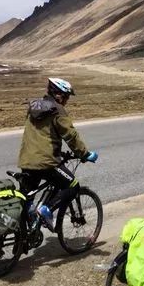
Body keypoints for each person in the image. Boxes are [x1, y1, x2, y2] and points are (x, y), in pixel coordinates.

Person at [17, 78, 98, 230]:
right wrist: (84, 154)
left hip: (26, 160)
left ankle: (24, 237)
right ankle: (46, 209)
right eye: (66, 96)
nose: (67, 100)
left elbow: (41, 135)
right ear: (58, 95)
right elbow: (71, 135)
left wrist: (58, 151)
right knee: (73, 185)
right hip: (47, 162)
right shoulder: (57, 110)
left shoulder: (34, 106)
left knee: (26, 198)